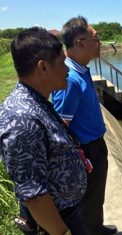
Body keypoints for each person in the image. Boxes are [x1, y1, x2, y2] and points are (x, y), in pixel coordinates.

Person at [0, 27, 89, 235]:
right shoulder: (21, 119)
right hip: (55, 222)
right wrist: (62, 232)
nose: (68, 69)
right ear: (44, 67)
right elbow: (34, 195)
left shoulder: (36, 101)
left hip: (66, 211)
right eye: (62, 62)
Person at [52, 16, 117, 235]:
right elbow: (61, 125)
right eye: (96, 38)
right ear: (80, 43)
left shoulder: (81, 70)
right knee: (88, 198)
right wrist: (79, 156)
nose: (100, 43)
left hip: (95, 145)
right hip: (86, 151)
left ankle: (96, 227)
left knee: (96, 195)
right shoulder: (70, 78)